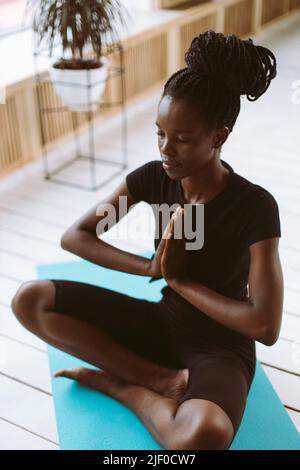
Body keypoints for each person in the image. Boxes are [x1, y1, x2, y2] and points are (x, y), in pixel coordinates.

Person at [11, 30, 283, 450]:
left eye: (182, 138)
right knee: (29, 299)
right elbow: (76, 236)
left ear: (219, 136)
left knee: (200, 439)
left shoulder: (255, 206)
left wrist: (180, 281)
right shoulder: (152, 178)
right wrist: (150, 268)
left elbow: (264, 326)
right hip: (162, 323)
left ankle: (122, 388)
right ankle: (159, 380)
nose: (165, 149)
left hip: (221, 346)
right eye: (160, 132)